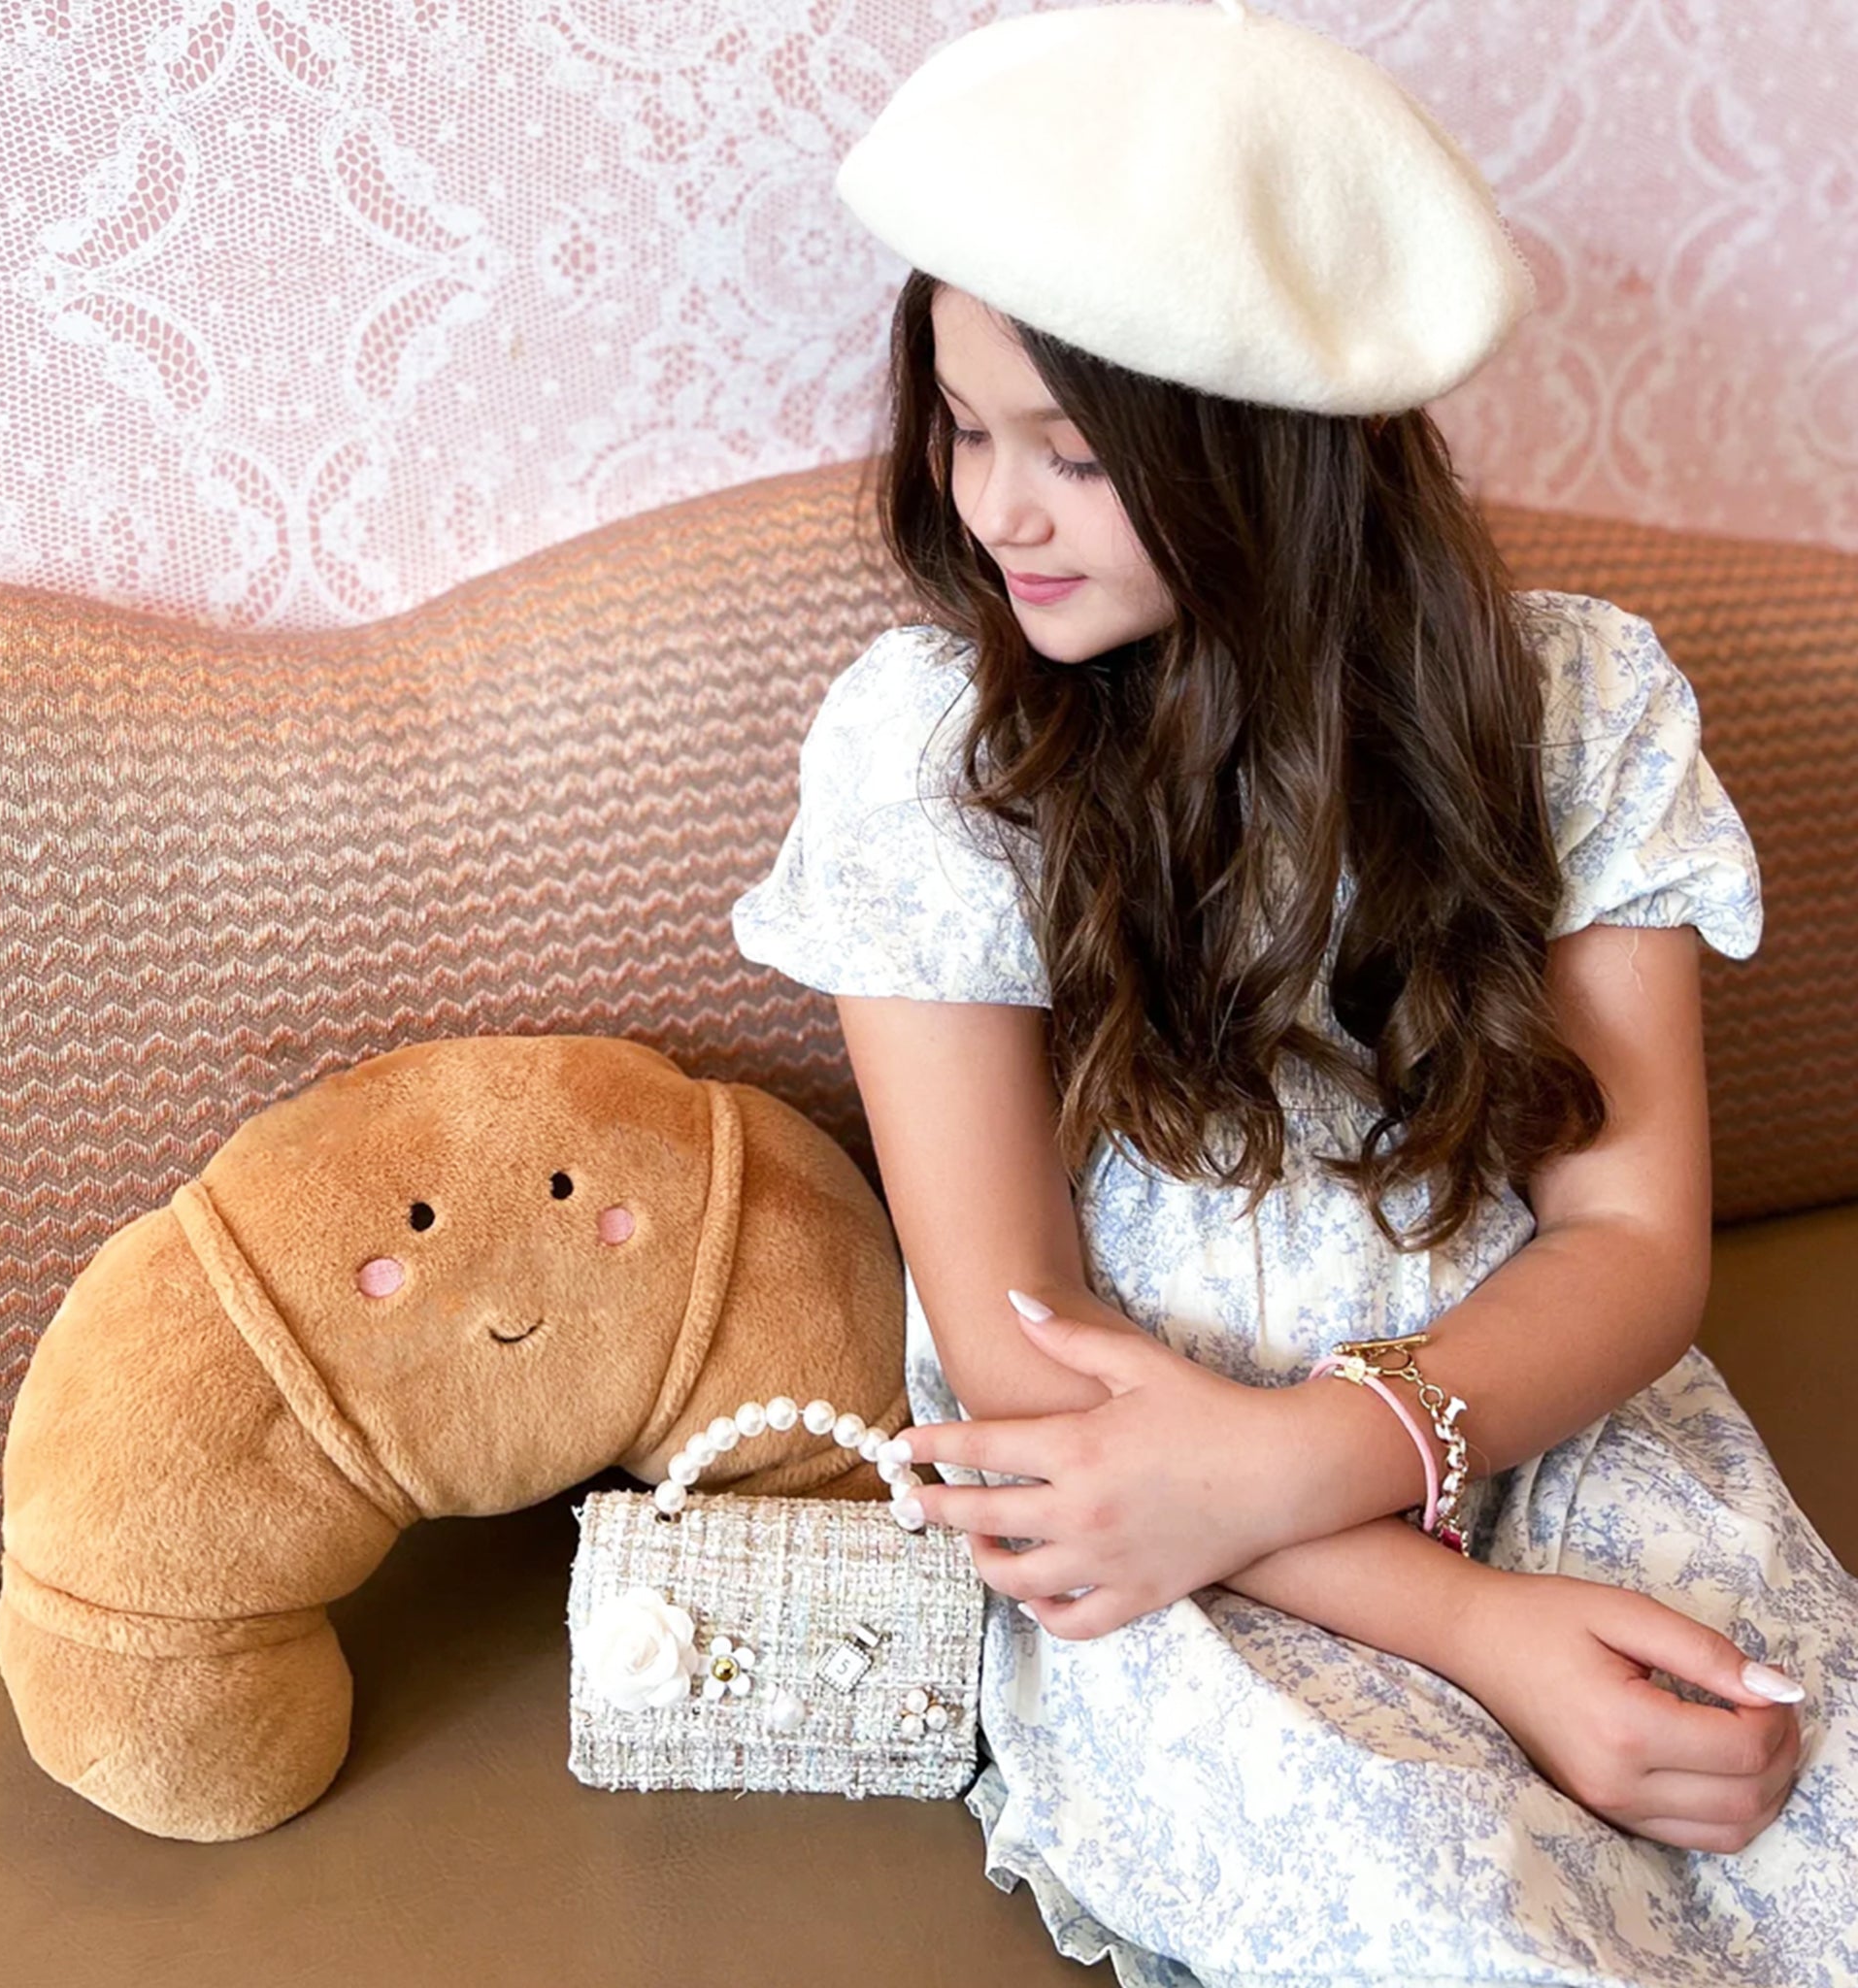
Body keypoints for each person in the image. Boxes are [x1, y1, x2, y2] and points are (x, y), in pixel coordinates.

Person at [732, 5, 1857, 1984]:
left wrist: (1361, 1446)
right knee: (1462, 1920)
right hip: (1148, 1512)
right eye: (965, 427)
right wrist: (1467, 1626)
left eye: (1074, 454)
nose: (997, 512)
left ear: (1272, 443)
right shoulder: (930, 752)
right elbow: (1023, 1367)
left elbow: (1629, 1241)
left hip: (1548, 1413)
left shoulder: (1577, 710)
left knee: (1794, 1808)